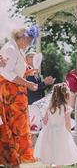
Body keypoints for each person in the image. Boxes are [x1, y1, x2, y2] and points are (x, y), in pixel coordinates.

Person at [0, 27, 39, 167]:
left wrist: (28, 72)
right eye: (28, 41)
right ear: (22, 37)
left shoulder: (18, 50)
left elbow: (17, 70)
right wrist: (27, 83)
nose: (28, 44)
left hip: (17, 94)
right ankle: (11, 159)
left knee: (19, 126)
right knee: (13, 126)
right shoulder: (10, 48)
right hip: (11, 95)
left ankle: (16, 158)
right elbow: (7, 73)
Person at [34, 83, 77, 167]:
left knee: (50, 152)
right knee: (60, 154)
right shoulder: (65, 107)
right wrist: (69, 134)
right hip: (60, 133)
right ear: (65, 95)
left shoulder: (49, 107)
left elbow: (45, 122)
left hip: (48, 132)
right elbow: (67, 123)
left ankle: (51, 166)